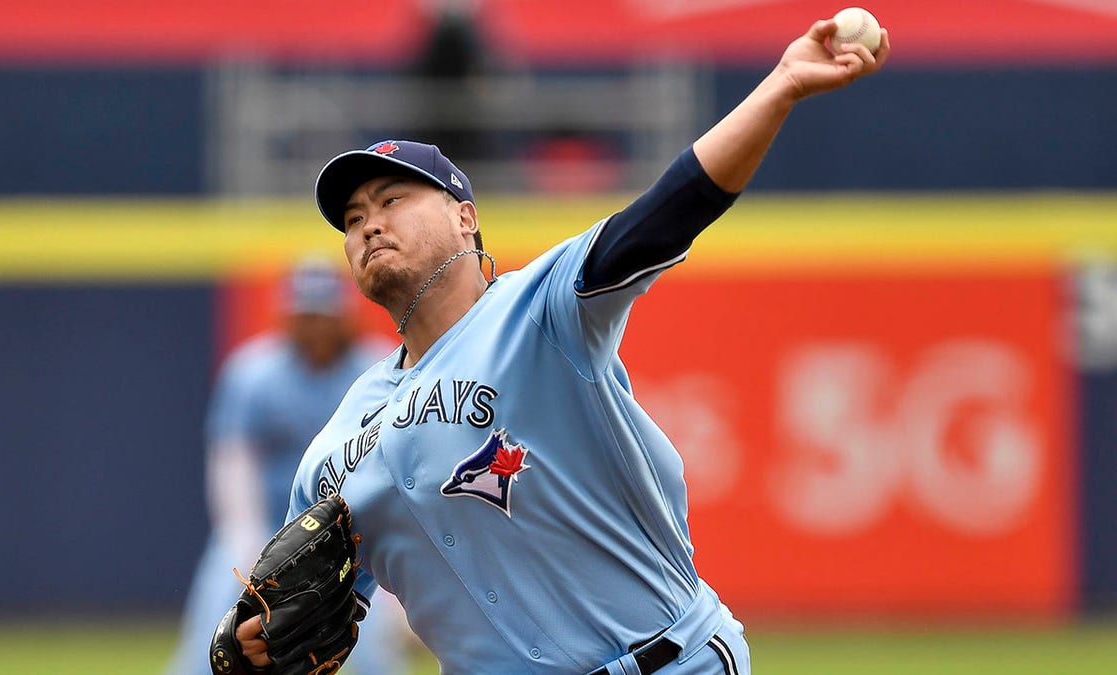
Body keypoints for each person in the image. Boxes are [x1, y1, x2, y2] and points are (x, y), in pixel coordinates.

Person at [235, 16, 890, 674]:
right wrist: (256, 637)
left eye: (392, 198)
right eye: (352, 220)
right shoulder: (336, 449)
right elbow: (290, 607)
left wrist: (780, 86)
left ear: (465, 216)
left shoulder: (540, 309)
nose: (370, 224)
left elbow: (667, 212)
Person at [165, 258, 407, 675]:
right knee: (215, 618)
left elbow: (393, 466)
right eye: (305, 312)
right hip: (266, 530)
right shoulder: (253, 372)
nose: (314, 324)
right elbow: (232, 461)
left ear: (343, 315)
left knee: (369, 648)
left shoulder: (377, 370)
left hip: (347, 536)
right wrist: (241, 534)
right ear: (289, 314)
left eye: (322, 313)